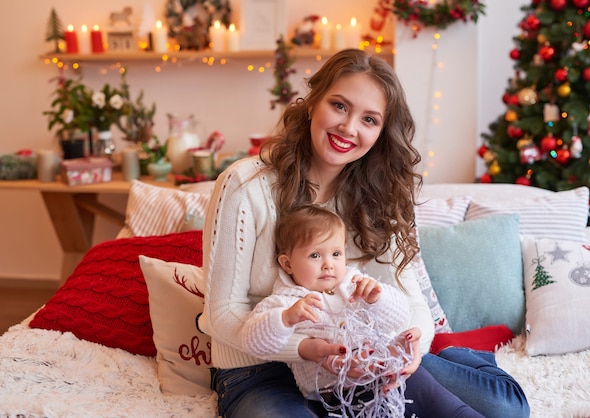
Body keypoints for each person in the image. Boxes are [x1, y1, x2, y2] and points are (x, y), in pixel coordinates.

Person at [198, 48, 530, 418]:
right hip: (257, 368)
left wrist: (412, 349)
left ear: (381, 132)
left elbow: (412, 303)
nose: (349, 128)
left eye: (369, 119)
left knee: (505, 410)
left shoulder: (383, 195)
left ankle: (456, 356)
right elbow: (223, 314)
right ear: (312, 104)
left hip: (361, 364)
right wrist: (311, 348)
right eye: (339, 106)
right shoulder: (245, 186)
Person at [240, 204, 484, 417]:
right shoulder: (286, 301)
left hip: (390, 376)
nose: (328, 264)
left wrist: (378, 299)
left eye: (336, 254)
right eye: (315, 255)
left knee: (452, 411)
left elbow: (400, 317)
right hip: (334, 396)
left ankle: (462, 361)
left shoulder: (353, 283)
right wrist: (284, 319)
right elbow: (253, 341)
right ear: (287, 263)